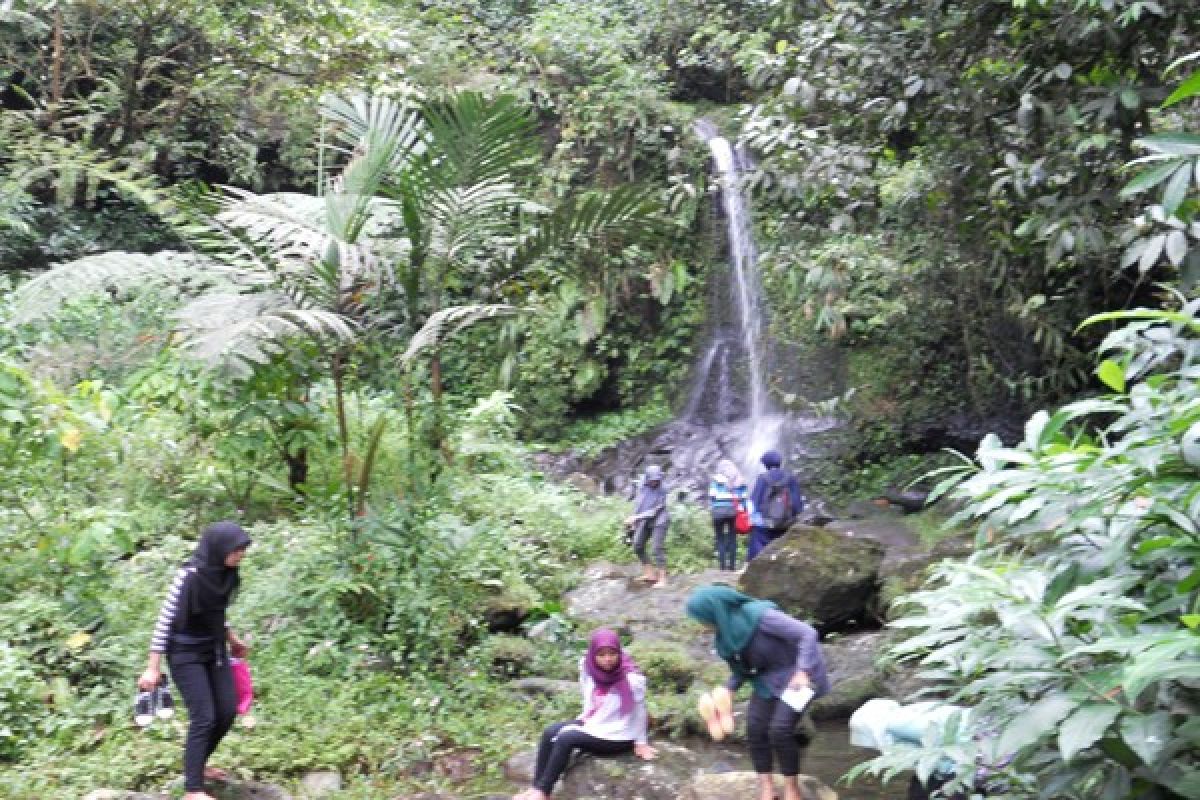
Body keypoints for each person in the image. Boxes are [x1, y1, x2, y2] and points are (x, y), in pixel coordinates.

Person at [138, 521, 253, 800]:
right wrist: (153, 667)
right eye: (237, 550)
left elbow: (215, 612)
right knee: (204, 717)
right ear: (219, 548)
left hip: (213, 650)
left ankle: (197, 767)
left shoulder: (225, 575)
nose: (241, 555)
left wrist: (232, 639)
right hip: (185, 654)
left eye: (242, 550)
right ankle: (193, 790)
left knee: (226, 712)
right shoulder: (188, 576)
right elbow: (164, 622)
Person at [685, 585, 830, 800]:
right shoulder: (725, 635)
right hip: (768, 679)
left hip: (799, 676)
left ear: (715, 611)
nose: (702, 624)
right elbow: (743, 667)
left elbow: (807, 634)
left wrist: (802, 671)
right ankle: (767, 788)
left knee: (780, 730)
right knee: (754, 729)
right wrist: (729, 689)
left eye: (703, 618)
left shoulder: (762, 617)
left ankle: (792, 789)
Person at [513, 628, 657, 800]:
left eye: (612, 654)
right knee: (550, 732)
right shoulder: (588, 667)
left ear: (619, 652)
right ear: (593, 655)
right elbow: (589, 695)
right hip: (596, 723)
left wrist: (641, 742)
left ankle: (543, 791)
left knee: (567, 738)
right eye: (601, 655)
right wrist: (585, 719)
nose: (608, 659)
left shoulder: (632, 680)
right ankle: (537, 787)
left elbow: (639, 708)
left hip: (619, 735)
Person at [747, 450, 803, 561]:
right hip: (785, 523)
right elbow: (797, 503)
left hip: (765, 524)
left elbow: (754, 501)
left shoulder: (762, 478)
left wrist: (752, 520)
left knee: (757, 543)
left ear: (766, 464)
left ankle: (756, 567)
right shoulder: (790, 478)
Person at [625, 464, 670, 587]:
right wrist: (634, 520)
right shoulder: (641, 485)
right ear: (647, 478)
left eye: (657, 480)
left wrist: (636, 517)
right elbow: (639, 504)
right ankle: (650, 574)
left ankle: (663, 579)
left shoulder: (663, 489)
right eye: (652, 480)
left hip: (660, 520)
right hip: (645, 520)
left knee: (657, 548)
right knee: (637, 545)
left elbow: (655, 511)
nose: (655, 482)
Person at [708, 458, 749, 571]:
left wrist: (712, 508)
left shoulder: (715, 480)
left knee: (720, 538)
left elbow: (712, 496)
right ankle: (732, 567)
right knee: (732, 538)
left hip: (718, 511)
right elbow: (744, 498)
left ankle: (722, 567)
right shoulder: (739, 479)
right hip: (733, 511)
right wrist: (744, 511)